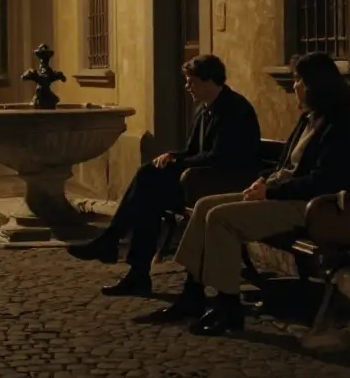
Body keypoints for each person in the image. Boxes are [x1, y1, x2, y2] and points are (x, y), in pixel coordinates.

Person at [147, 51, 350, 335]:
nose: (294, 85)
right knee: (203, 207)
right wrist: (262, 182)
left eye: (299, 80)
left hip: (308, 205)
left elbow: (325, 180)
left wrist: (270, 190)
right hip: (281, 194)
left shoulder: (339, 124)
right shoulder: (309, 119)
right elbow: (284, 164)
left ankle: (229, 306)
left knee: (222, 218)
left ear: (316, 84)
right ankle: (193, 293)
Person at [68, 54, 264, 297]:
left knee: (148, 185)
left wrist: (179, 161)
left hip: (223, 181)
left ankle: (118, 250)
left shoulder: (234, 109)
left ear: (208, 81)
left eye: (191, 81)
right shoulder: (203, 110)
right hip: (201, 178)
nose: (187, 86)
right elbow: (193, 151)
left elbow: (222, 156)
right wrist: (174, 155)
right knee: (148, 188)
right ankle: (130, 265)